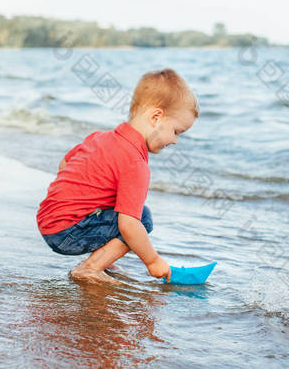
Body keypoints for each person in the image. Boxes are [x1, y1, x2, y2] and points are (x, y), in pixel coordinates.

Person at [36, 69, 199, 282]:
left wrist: (82, 201)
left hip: (47, 220)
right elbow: (129, 225)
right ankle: (91, 268)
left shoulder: (99, 137)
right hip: (67, 234)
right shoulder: (135, 162)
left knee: (114, 207)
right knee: (142, 217)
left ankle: (105, 260)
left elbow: (64, 164)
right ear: (156, 117)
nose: (175, 140)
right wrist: (153, 261)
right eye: (176, 131)